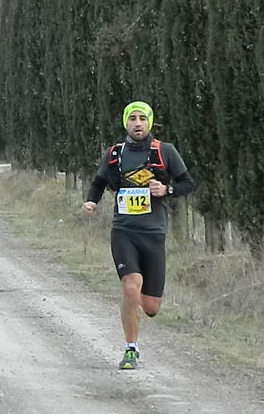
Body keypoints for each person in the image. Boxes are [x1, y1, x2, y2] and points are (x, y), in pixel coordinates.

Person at [82, 101, 195, 370]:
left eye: (142, 118)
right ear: (126, 123)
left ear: (150, 122)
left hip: (154, 233)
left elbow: (188, 183)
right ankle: (131, 349)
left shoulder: (165, 151)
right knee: (131, 288)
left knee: (151, 306)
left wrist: (166, 190)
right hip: (124, 232)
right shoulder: (114, 154)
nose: (137, 123)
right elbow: (99, 183)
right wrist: (91, 202)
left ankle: (139, 307)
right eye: (132, 118)